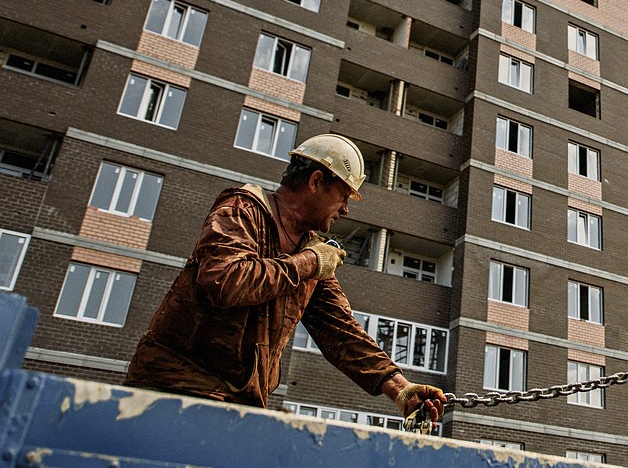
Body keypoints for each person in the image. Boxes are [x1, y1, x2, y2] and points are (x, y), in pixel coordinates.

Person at [125, 134, 446, 423]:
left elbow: (341, 331)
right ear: (316, 181)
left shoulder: (311, 251)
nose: (346, 209)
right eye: (344, 195)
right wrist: (307, 263)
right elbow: (226, 280)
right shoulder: (242, 211)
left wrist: (400, 389)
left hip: (237, 405)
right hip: (171, 390)